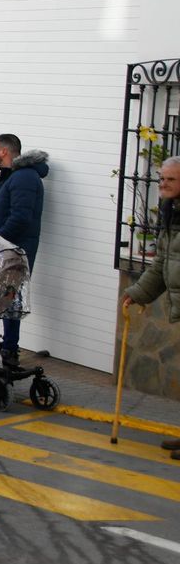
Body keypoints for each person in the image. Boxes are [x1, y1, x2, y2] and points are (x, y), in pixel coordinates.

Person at [123, 156, 180, 459]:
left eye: (170, 179)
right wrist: (138, 292)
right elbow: (162, 263)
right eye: (161, 179)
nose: (163, 184)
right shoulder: (172, 214)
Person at [0, 133, 50, 367]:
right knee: (5, 296)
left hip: (13, 250)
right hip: (5, 249)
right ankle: (7, 346)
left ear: (3, 151)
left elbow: (21, 218)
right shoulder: (11, 177)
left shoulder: (25, 178)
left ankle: (10, 348)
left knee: (10, 297)